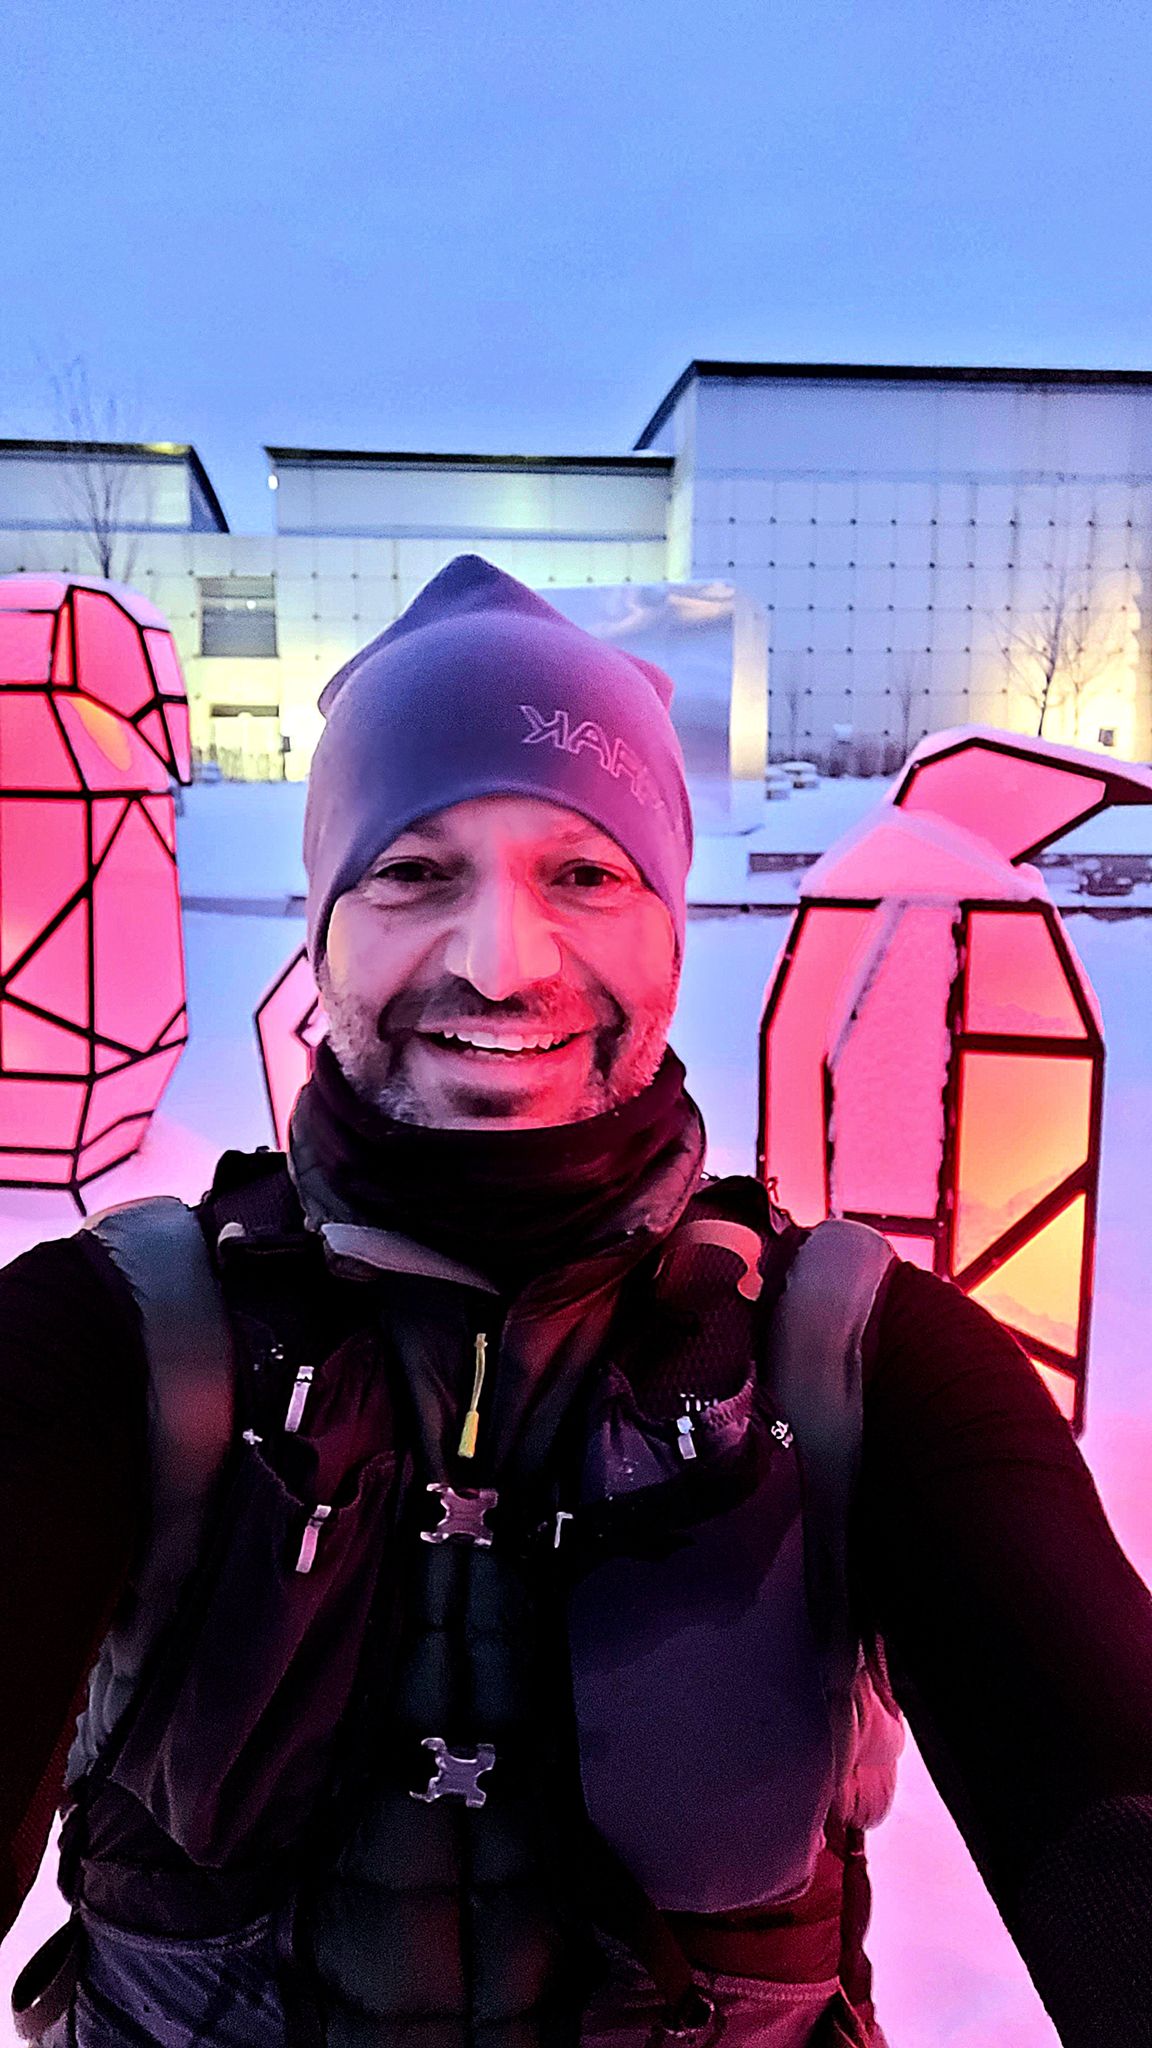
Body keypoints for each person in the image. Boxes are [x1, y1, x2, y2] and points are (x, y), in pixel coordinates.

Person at [2, 554, 1152, 2048]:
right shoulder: (113, 1344)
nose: (501, 963)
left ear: (672, 924)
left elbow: (1105, 1784)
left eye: (586, 874)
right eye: (413, 872)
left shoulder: (860, 1366)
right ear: (321, 926)